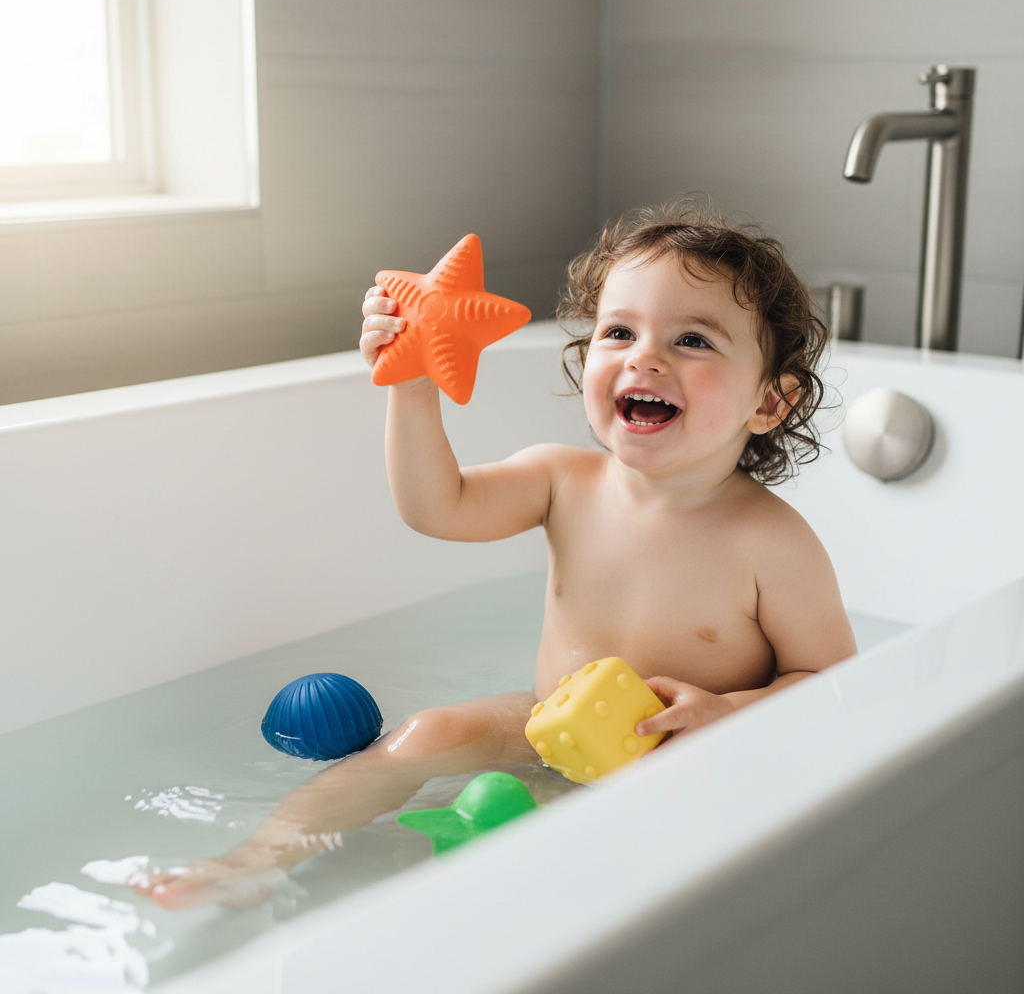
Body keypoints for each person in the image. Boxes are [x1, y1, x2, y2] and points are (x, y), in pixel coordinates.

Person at [132, 199, 856, 910]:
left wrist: (725, 714)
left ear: (771, 402)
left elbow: (833, 681)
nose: (646, 358)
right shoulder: (562, 480)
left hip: (680, 762)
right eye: (619, 332)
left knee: (628, 860)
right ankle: (263, 859)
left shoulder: (772, 542)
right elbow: (436, 506)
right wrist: (411, 387)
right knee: (430, 734)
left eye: (692, 340)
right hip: (544, 728)